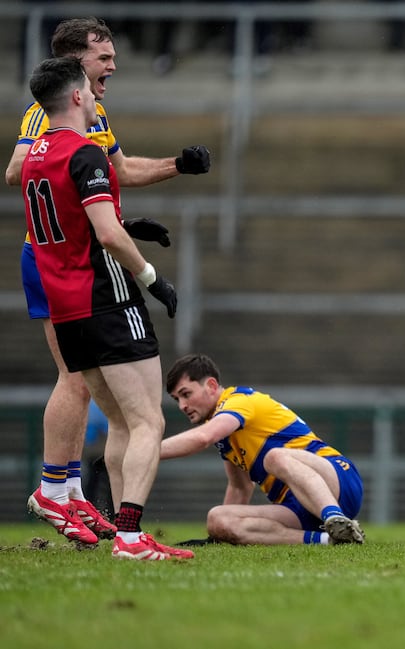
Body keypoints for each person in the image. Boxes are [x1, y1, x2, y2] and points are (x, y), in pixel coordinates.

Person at [6, 17, 211, 546]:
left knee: (104, 402)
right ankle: (58, 490)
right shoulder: (47, 115)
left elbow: (114, 172)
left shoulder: (92, 120)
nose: (113, 66)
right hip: (63, 259)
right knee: (81, 385)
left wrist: (176, 166)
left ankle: (80, 497)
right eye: (104, 57)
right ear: (76, 69)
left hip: (81, 247)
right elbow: (21, 169)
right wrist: (143, 268)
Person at [161, 353, 365, 546]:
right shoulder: (225, 435)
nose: (182, 405)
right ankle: (329, 540)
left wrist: (149, 451)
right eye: (177, 399)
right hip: (298, 505)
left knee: (273, 457)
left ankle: (334, 516)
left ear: (211, 385)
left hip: (337, 480)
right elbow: (240, 488)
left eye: (186, 394)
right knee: (218, 518)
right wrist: (219, 536)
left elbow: (204, 437)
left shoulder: (238, 401)